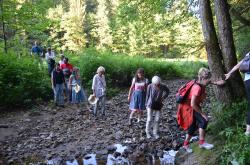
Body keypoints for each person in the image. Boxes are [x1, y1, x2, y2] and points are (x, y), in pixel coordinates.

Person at [179, 68, 225, 152]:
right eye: (208, 80)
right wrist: (202, 113)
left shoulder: (200, 82)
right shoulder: (197, 88)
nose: (209, 81)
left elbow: (209, 82)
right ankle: (202, 143)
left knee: (193, 126)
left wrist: (216, 83)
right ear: (203, 78)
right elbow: (193, 104)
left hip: (191, 106)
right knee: (203, 120)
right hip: (189, 108)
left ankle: (185, 145)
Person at [225, 51, 250, 136]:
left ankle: (247, 131)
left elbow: (237, 66)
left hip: (247, 82)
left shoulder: (248, 54)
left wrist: (229, 73)